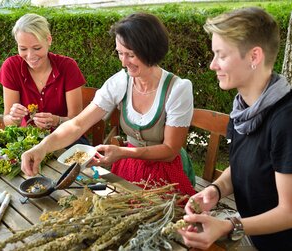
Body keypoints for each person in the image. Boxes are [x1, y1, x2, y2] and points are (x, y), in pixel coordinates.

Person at [21, 12, 196, 196]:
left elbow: (170, 150)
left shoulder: (177, 89)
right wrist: (42, 148)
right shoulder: (121, 82)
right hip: (129, 165)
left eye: (130, 54)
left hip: (167, 171)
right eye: (120, 53)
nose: (123, 62)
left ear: (150, 50)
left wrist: (123, 152)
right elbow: (78, 124)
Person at [177, 7, 292, 251]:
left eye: (221, 55)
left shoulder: (285, 120)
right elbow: (243, 164)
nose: (212, 65)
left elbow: (288, 212)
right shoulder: (244, 109)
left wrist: (230, 226)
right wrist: (215, 190)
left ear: (254, 56)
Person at [0, 13, 89, 145]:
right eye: (23, 49)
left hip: (65, 138)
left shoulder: (68, 67)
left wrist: (56, 121)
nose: (30, 56)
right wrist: (14, 118)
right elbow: (7, 120)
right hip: (28, 141)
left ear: (49, 40)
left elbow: (77, 120)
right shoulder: (11, 67)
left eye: (37, 48)